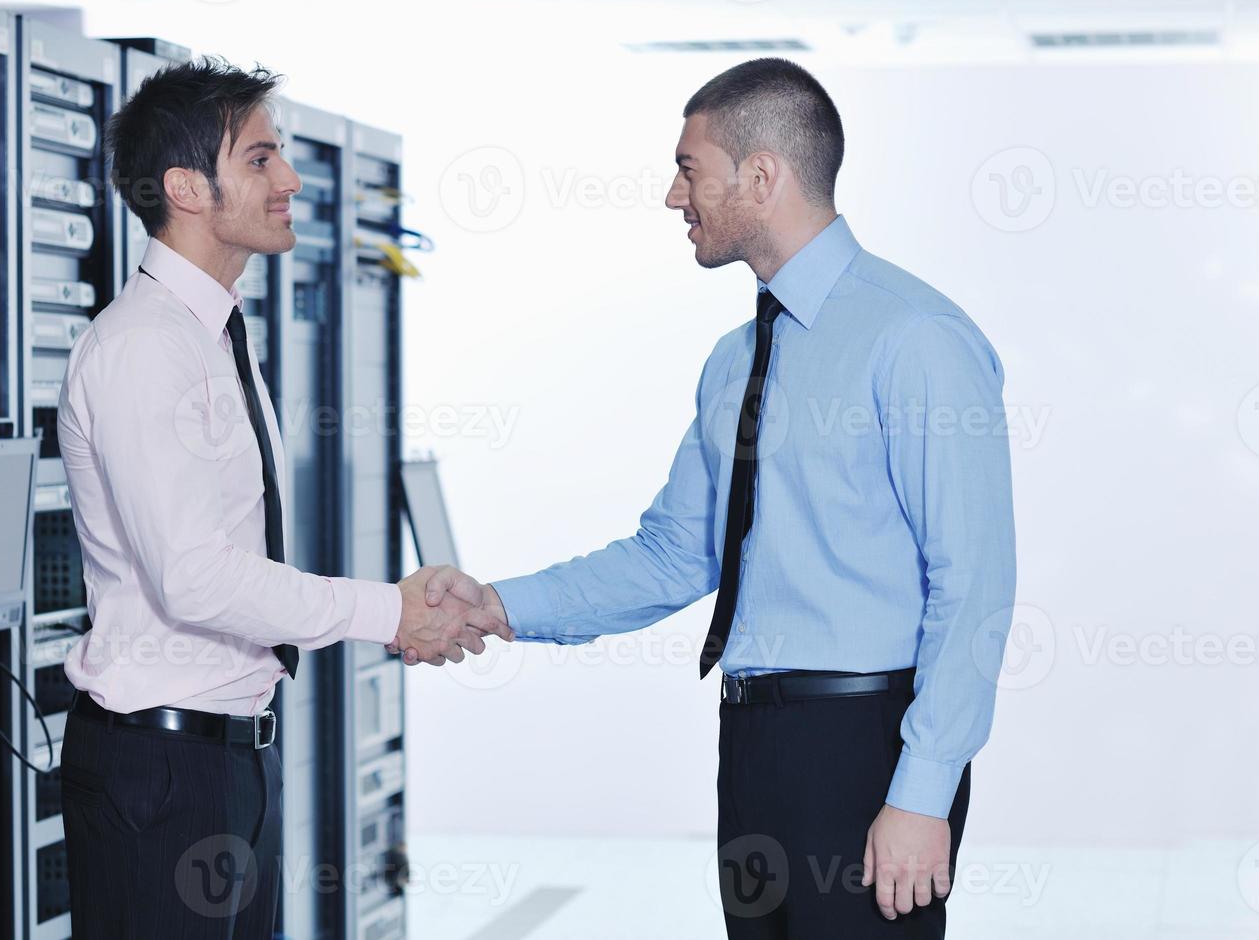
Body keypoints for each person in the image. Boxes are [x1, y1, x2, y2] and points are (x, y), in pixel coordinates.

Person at [403, 58, 1016, 938]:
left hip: (866, 747)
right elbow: (675, 553)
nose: (672, 196)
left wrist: (923, 792)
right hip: (754, 748)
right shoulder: (735, 359)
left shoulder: (916, 339)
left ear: (762, 176)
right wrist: (498, 605)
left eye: (689, 169)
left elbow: (975, 586)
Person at [55, 57, 508, 939]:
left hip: (229, 758)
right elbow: (194, 577)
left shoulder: (216, 333)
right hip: (162, 770)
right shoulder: (145, 349)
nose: (291, 180)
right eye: (261, 160)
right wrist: (390, 612)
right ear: (186, 187)